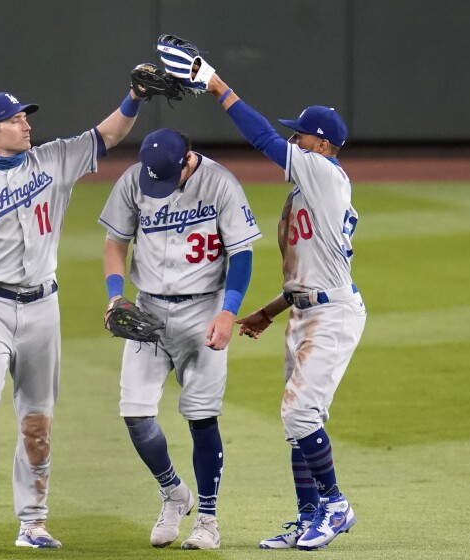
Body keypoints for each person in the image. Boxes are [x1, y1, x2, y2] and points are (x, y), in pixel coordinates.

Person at [0, 83, 146, 550]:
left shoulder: (53, 159)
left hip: (43, 307)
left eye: (26, 118)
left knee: (37, 420)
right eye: (16, 120)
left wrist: (135, 97)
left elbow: (108, 136)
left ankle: (33, 522)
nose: (27, 125)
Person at [190, 61, 367, 550]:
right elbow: (304, 272)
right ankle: (309, 516)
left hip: (331, 314)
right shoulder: (305, 193)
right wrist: (269, 311)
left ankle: (335, 507)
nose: (295, 142)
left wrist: (220, 88)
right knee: (299, 423)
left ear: (324, 145)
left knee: (299, 415)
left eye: (303, 137)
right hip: (306, 310)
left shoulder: (326, 176)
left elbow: (264, 139)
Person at [98, 128, 261, 549]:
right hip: (147, 308)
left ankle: (207, 518)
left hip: (204, 308)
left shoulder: (221, 184)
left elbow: (241, 253)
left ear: (188, 158)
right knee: (134, 413)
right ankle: (174, 493)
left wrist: (229, 310)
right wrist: (116, 296)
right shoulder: (135, 180)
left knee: (201, 416)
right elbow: (115, 242)